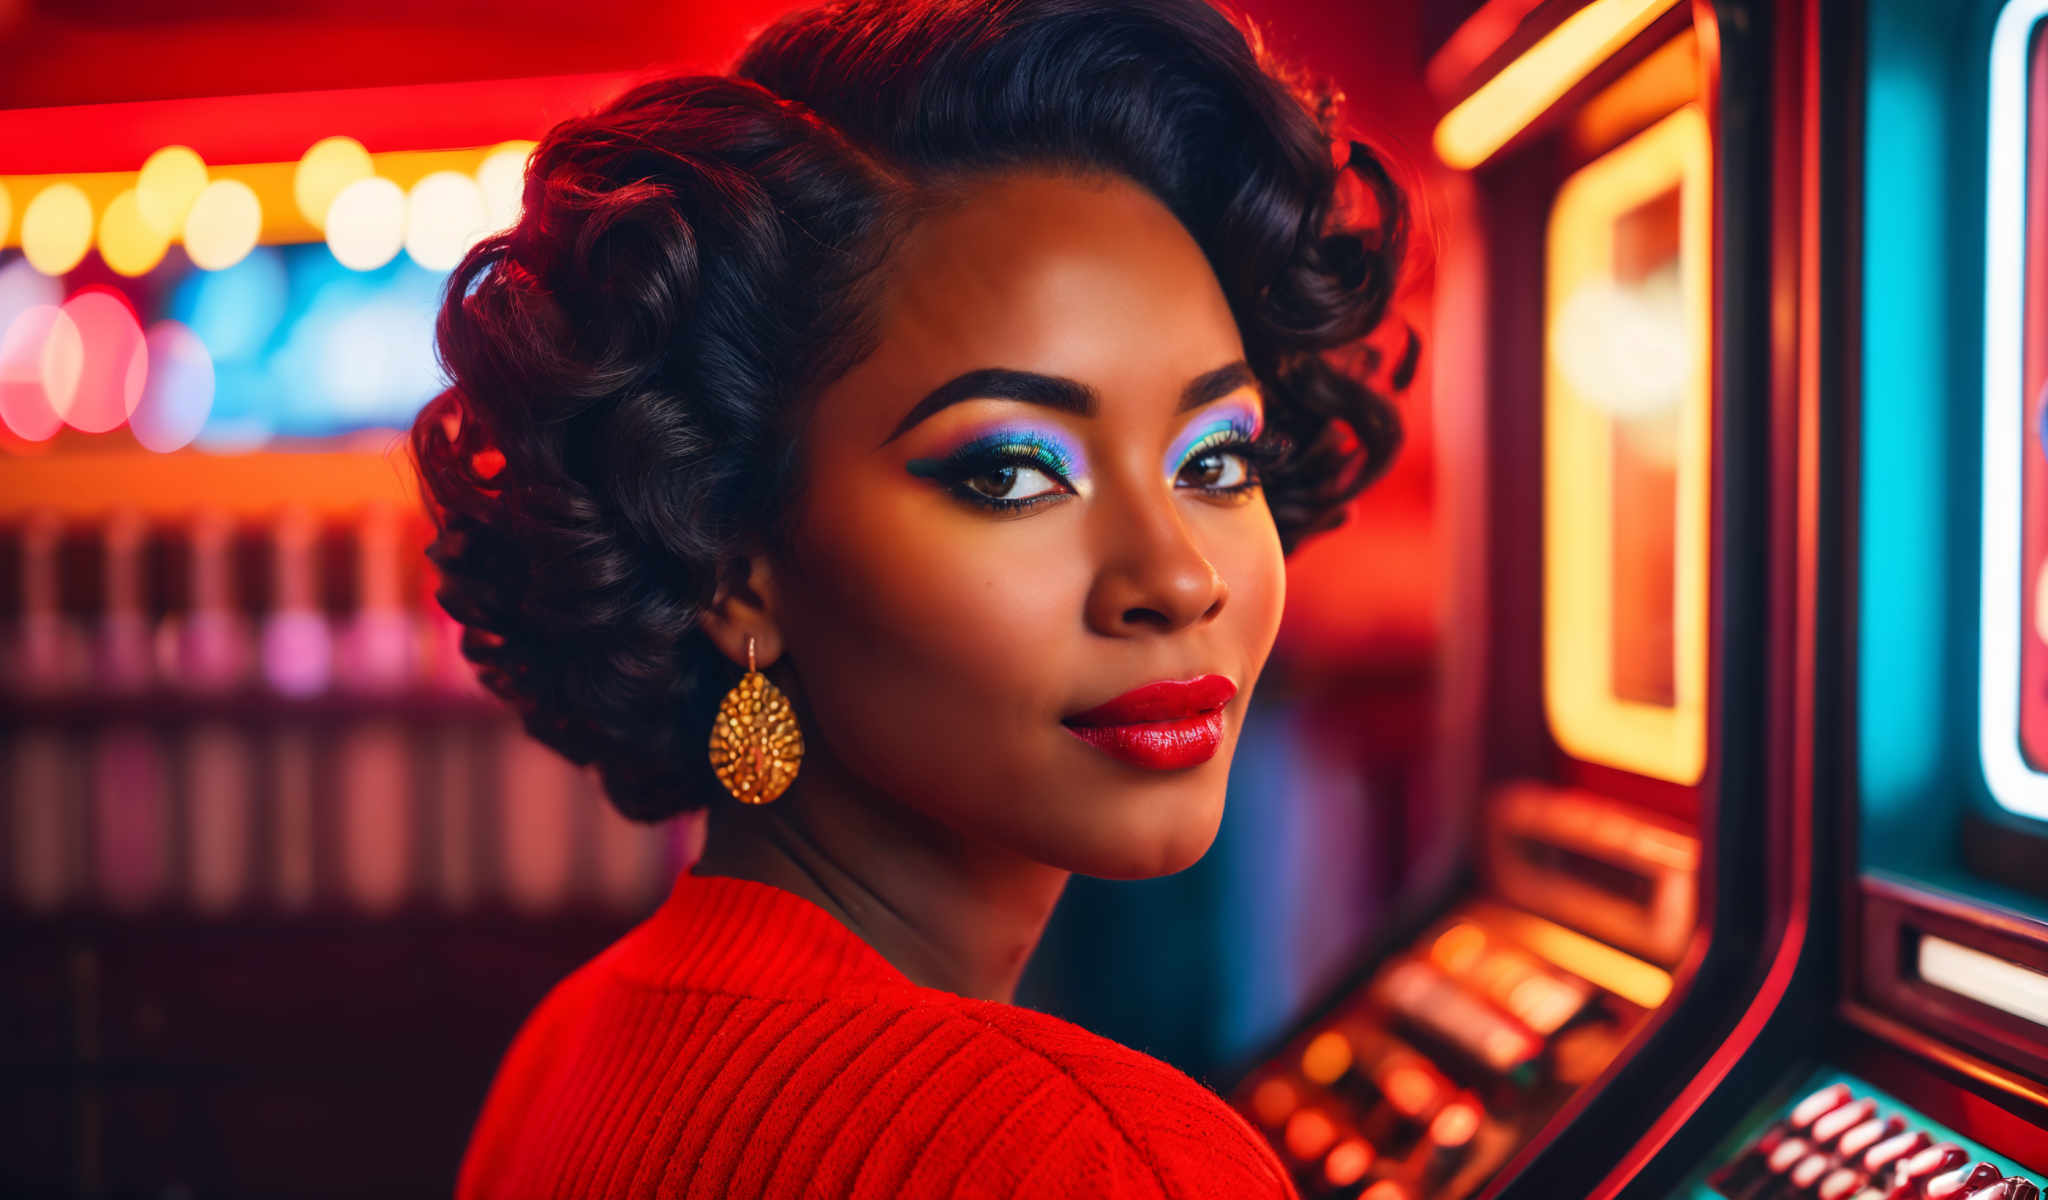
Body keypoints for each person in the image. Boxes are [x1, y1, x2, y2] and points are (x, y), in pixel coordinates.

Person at [408, 0, 1415, 1194]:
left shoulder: (573, 1040)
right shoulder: (1089, 1156)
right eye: (1011, 472)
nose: (1177, 578)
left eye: (1214, 461)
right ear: (732, 556)